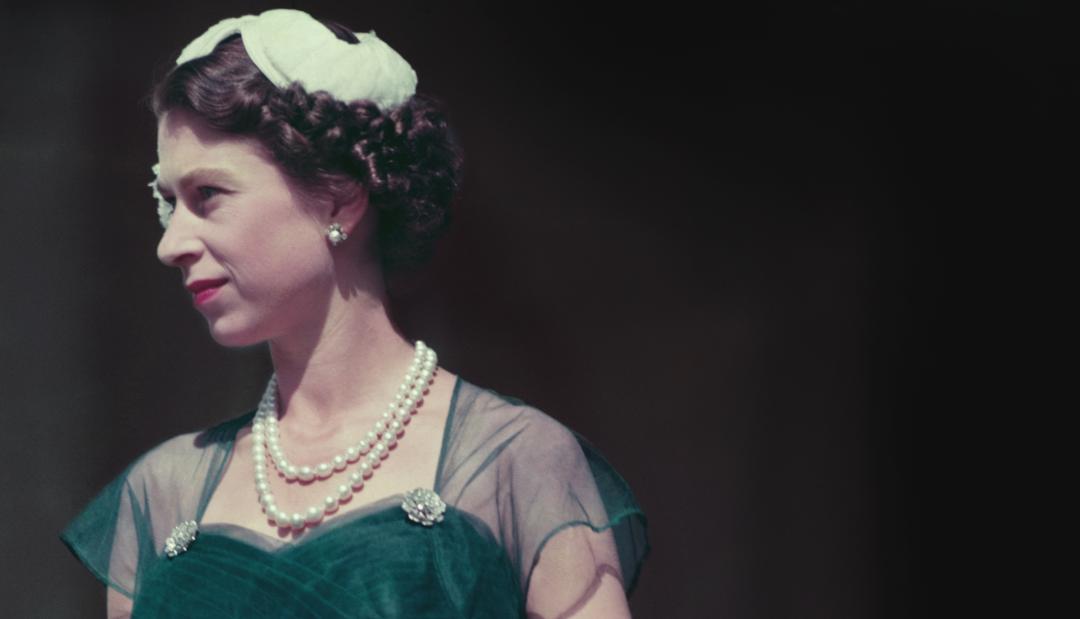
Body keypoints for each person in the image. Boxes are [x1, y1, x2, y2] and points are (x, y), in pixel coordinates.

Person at [60, 8, 648, 619]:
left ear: (339, 199)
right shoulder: (162, 491)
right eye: (168, 203)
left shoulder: (511, 462)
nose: (170, 242)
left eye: (208, 195)